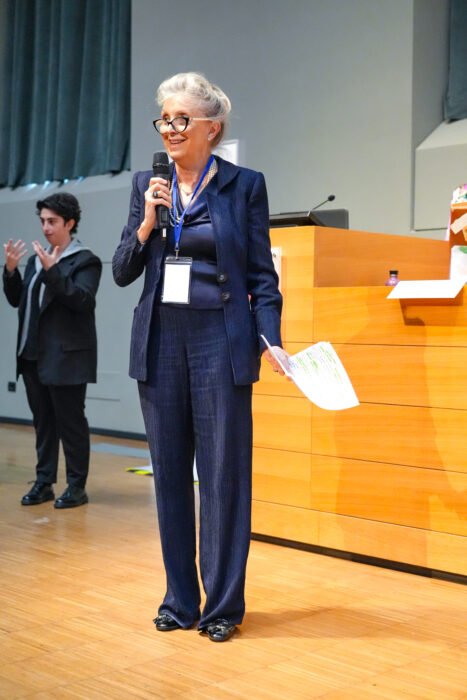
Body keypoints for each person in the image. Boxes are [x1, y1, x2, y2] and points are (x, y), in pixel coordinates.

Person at [112, 72, 288, 642]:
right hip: (162, 340)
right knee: (169, 477)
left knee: (223, 478)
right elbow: (122, 271)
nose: (170, 129)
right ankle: (179, 600)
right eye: (164, 119)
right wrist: (146, 222)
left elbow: (261, 277)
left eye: (181, 119)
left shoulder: (244, 186)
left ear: (212, 128)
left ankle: (223, 607)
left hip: (220, 340)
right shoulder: (147, 184)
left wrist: (271, 338)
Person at [3, 193, 102, 509]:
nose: (45, 227)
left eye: (52, 221)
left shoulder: (85, 261)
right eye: (43, 221)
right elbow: (18, 300)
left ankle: (76, 486)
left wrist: (53, 272)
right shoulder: (37, 259)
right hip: (32, 355)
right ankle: (44, 482)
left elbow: (82, 300)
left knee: (71, 425)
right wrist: (11, 271)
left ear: (69, 223)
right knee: (43, 424)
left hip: (66, 358)